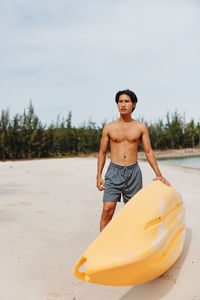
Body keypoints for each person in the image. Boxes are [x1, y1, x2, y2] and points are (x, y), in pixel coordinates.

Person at [97, 89, 170, 232]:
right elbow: (102, 152)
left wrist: (158, 174)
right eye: (120, 101)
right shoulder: (109, 128)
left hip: (133, 173)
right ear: (117, 104)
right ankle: (101, 244)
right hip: (114, 172)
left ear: (134, 104)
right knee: (107, 209)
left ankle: (131, 245)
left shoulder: (140, 127)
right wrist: (98, 175)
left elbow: (148, 152)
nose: (123, 104)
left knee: (133, 212)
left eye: (126, 101)